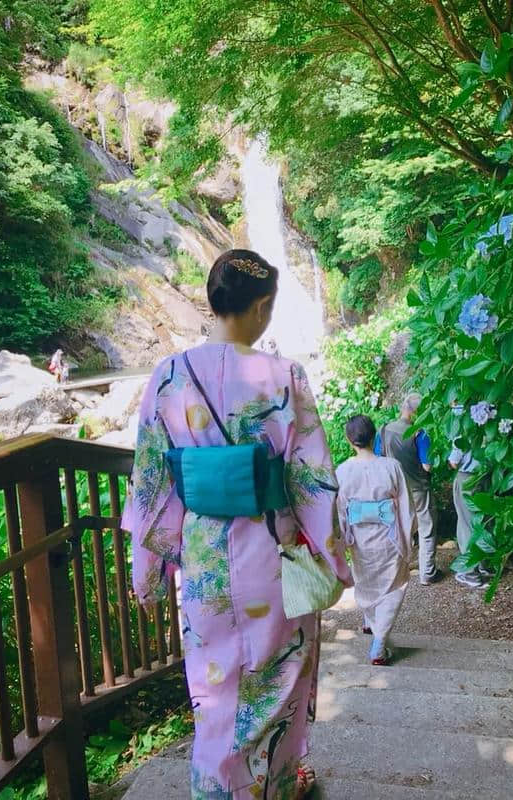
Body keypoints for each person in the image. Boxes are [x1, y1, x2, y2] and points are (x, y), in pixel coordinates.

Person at [123, 249, 352, 800]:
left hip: (203, 558)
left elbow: (151, 483)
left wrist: (147, 570)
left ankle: (216, 789)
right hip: (269, 553)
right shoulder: (284, 377)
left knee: (214, 689)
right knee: (278, 681)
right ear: (263, 305)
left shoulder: (170, 376)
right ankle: (274, 786)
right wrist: (332, 561)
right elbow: (311, 481)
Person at [336, 415, 415, 666]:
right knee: (394, 587)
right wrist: (408, 535)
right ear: (375, 437)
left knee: (367, 587)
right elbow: (406, 506)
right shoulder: (391, 467)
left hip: (360, 540)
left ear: (350, 440)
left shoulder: (343, 470)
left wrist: (344, 538)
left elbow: (340, 511)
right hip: (390, 537)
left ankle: (376, 629)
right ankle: (380, 640)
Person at [378, 393, 442, 585]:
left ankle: (396, 571)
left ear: (402, 408)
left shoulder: (383, 430)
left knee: (398, 528)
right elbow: (427, 466)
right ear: (416, 412)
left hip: (394, 490)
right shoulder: (419, 433)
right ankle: (427, 573)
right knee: (426, 528)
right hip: (418, 489)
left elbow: (378, 459)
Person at [448, 441, 492, 589]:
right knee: (484, 521)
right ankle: (484, 565)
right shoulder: (489, 423)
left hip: (467, 479)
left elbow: (454, 462)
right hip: (485, 477)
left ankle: (470, 573)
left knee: (467, 525)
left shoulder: (463, 431)